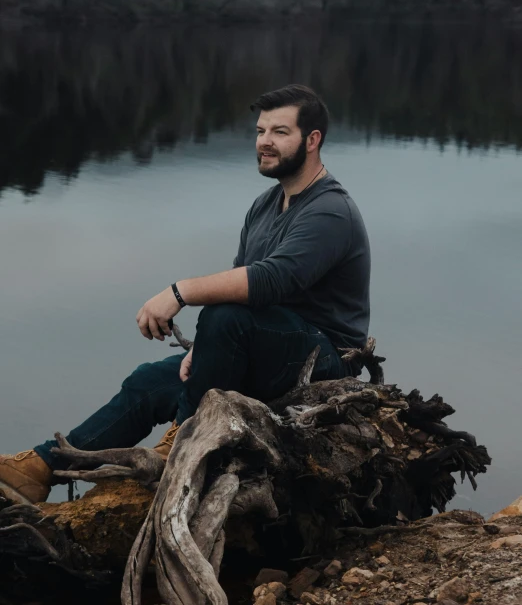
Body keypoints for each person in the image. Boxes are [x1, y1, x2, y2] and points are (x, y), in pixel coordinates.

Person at [0, 85, 371, 505]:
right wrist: (207, 350)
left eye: (280, 131)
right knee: (147, 381)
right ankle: (42, 468)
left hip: (323, 359)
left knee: (224, 316)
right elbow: (242, 281)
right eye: (260, 129)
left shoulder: (329, 210)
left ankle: (182, 445)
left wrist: (179, 292)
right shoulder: (266, 205)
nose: (264, 141)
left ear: (312, 140)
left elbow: (272, 281)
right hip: (268, 344)